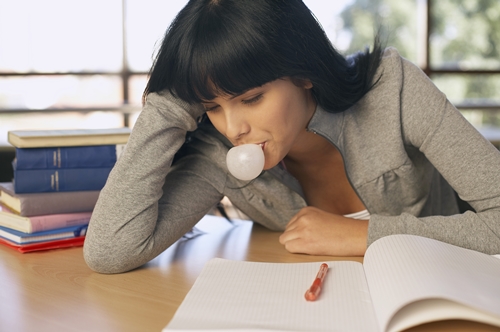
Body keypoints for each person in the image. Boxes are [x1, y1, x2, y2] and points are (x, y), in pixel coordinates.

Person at [83, 0, 500, 274]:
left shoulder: (392, 89)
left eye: (251, 98)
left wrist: (361, 235)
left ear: (302, 72)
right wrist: (169, 101)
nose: (233, 128)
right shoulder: (217, 152)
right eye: (211, 107)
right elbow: (109, 251)